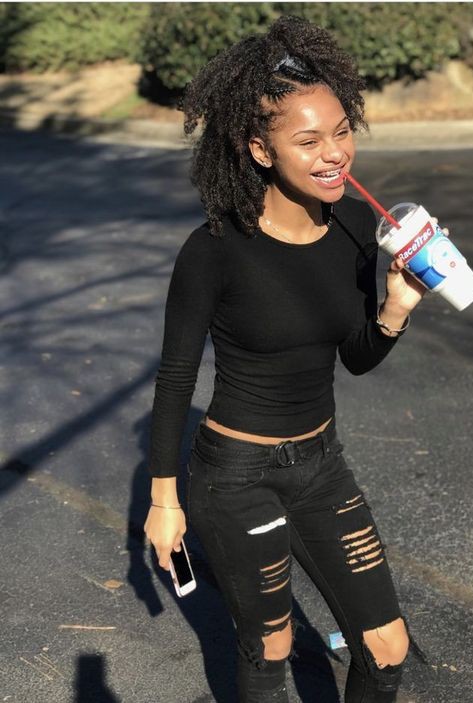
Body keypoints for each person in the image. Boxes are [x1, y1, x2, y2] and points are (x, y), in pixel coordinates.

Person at [144, 15, 438, 703]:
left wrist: (395, 306)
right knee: (270, 645)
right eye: (307, 140)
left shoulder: (355, 224)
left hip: (321, 464)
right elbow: (175, 377)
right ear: (259, 149)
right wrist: (164, 502)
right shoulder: (213, 250)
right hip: (236, 475)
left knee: (384, 642)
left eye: (341, 130)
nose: (334, 153)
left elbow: (356, 358)